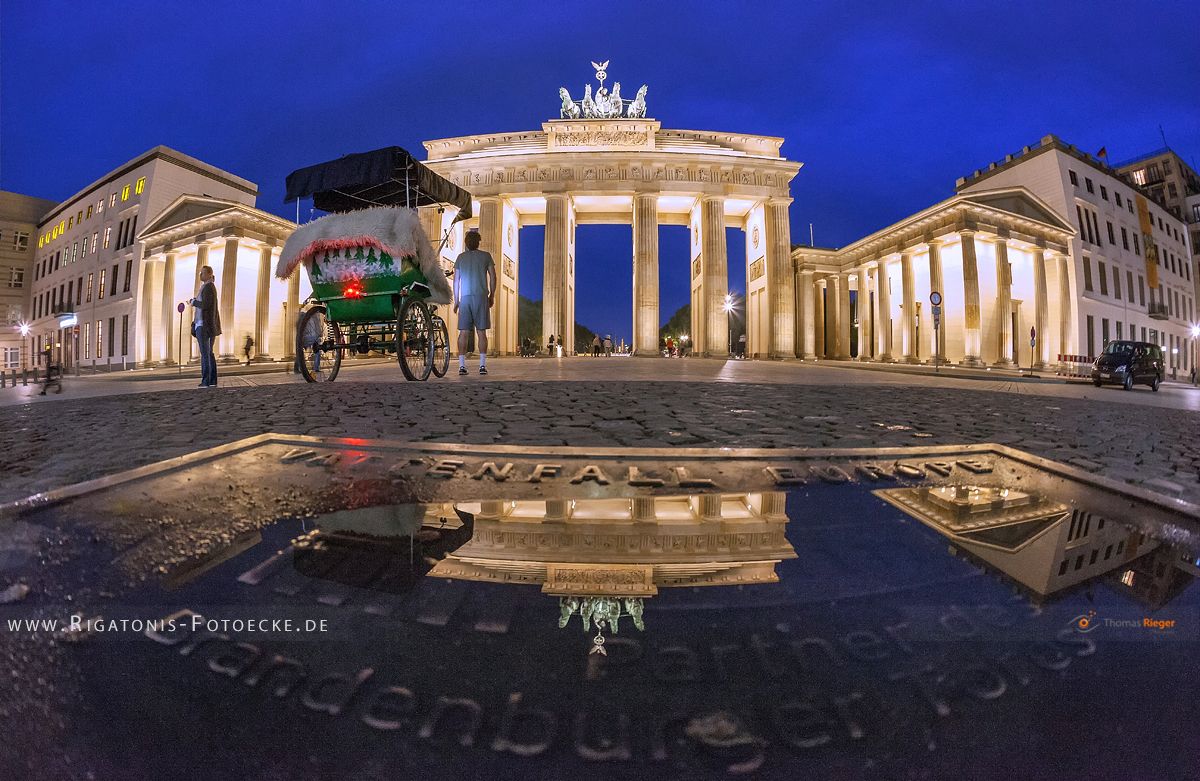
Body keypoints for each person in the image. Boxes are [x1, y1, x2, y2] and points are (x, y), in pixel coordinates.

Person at [452, 230, 497, 376]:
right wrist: (492, 295)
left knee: (463, 332)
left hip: (465, 297)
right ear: (478, 242)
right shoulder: (486, 256)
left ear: (466, 243)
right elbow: (493, 277)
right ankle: (482, 366)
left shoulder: (460, 257)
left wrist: (456, 300)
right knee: (481, 332)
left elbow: (456, 281)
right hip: (481, 297)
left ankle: (462, 366)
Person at [191, 265, 221, 387]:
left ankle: (206, 381)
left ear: (209, 274)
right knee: (209, 353)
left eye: (202, 273)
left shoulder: (208, 287)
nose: (200, 275)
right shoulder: (208, 287)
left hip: (204, 325)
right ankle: (212, 380)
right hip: (207, 325)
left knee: (205, 354)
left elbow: (205, 305)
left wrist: (194, 302)